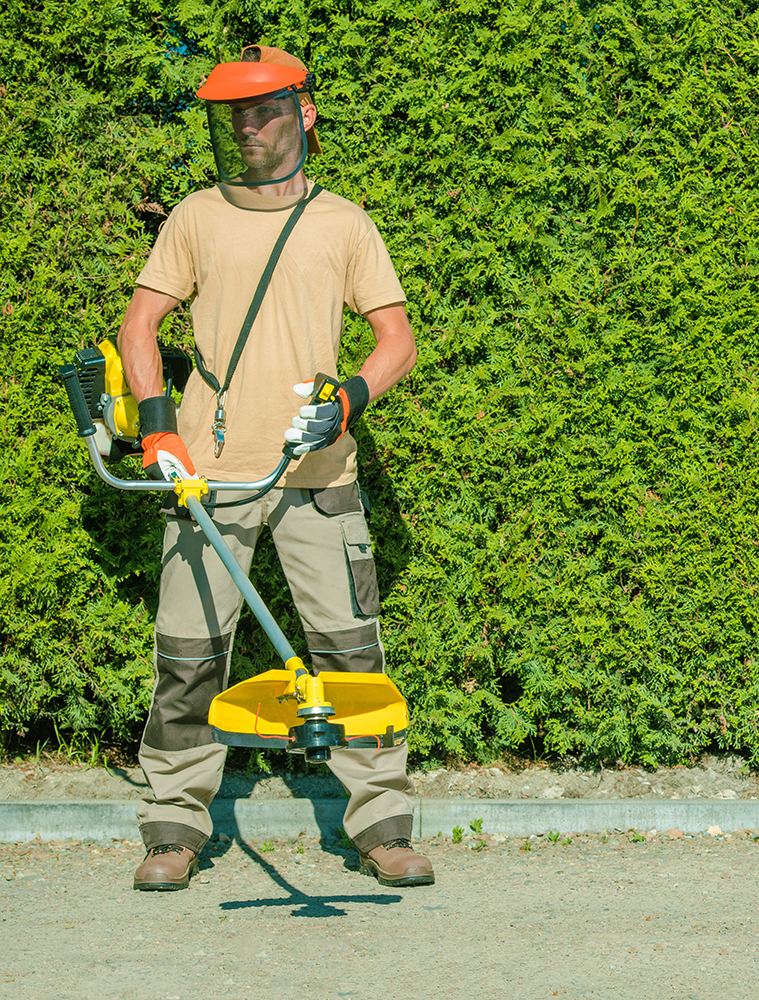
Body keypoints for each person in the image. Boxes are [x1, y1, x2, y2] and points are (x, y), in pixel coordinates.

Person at [117, 44, 431, 891]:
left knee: (350, 652)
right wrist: (157, 432)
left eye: (263, 112)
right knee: (187, 655)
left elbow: (395, 341)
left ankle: (383, 825)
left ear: (304, 116)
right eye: (234, 117)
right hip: (208, 475)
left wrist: (351, 400)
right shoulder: (195, 217)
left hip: (319, 477)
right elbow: (138, 329)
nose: (249, 129)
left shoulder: (344, 222)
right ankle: (175, 829)